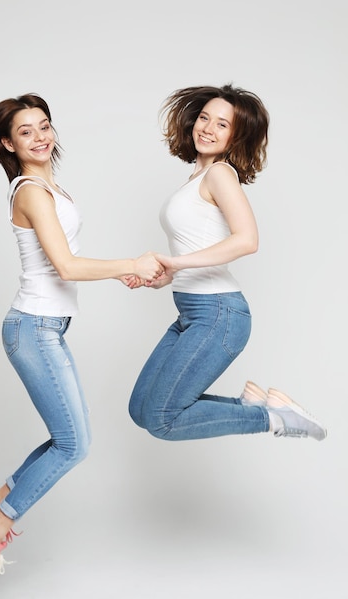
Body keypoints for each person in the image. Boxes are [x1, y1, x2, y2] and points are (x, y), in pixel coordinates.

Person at [0, 93, 163, 593]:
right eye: (26, 131)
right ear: (7, 143)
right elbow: (66, 268)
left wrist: (119, 276)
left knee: (70, 440)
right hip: (33, 327)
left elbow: (65, 259)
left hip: (47, 326)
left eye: (45, 125)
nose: (40, 136)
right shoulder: (30, 190)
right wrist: (131, 265)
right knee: (75, 445)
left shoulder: (51, 188)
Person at [127, 84, 327, 445]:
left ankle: (272, 418)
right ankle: (248, 405)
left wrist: (174, 261)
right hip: (192, 312)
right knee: (141, 408)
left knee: (161, 420)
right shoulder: (195, 179)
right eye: (204, 118)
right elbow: (200, 244)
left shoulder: (220, 174)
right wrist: (170, 274)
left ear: (236, 136)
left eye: (222, 124)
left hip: (218, 314)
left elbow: (247, 240)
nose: (207, 128)